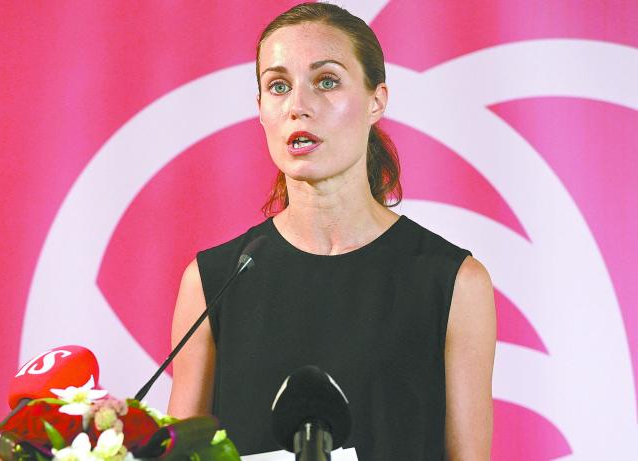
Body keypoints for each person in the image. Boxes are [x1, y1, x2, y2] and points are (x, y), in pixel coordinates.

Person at [167, 3, 496, 460]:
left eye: (326, 81)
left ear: (376, 100)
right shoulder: (213, 281)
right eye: (278, 86)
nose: (299, 107)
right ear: (261, 109)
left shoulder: (454, 282)